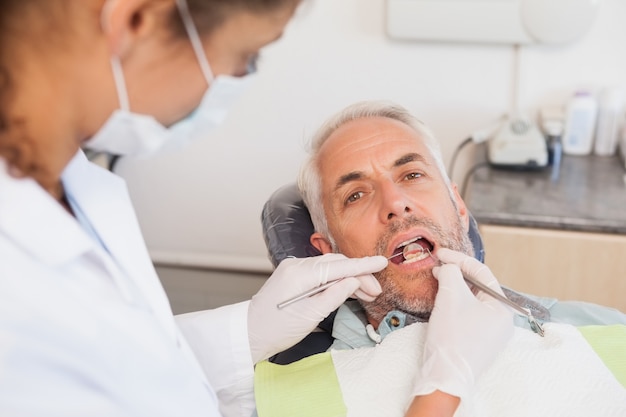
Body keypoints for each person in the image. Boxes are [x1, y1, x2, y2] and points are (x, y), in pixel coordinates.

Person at [0, 2, 391, 416]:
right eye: (246, 56)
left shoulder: (73, 183)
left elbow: (138, 367)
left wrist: (246, 334)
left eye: (414, 175)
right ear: (136, 20)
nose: (395, 204)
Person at [258, 100, 626, 417]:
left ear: (459, 207)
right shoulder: (290, 394)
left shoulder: (606, 331)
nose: (395, 203)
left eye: (412, 174)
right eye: (355, 195)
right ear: (329, 251)